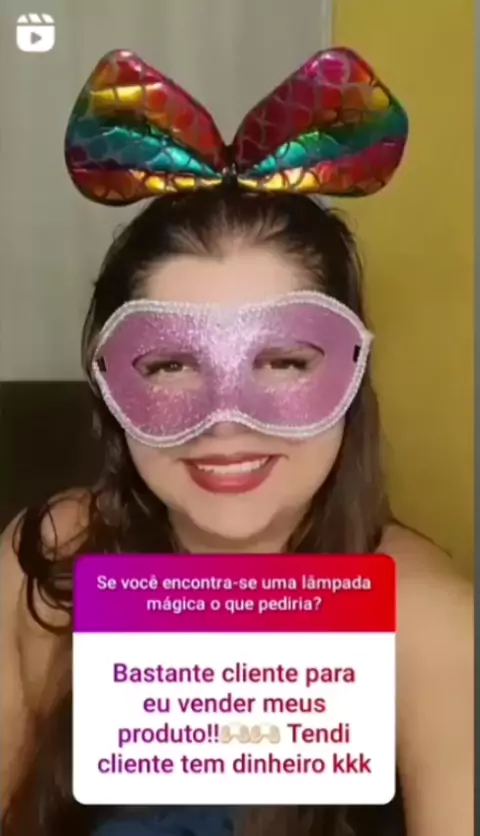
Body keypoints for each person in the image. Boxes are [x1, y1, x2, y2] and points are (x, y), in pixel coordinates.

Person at [0, 47, 473, 836]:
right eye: (170, 366)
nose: (224, 422)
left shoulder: (425, 622)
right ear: (108, 379)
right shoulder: (49, 565)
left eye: (284, 362)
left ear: (353, 369)